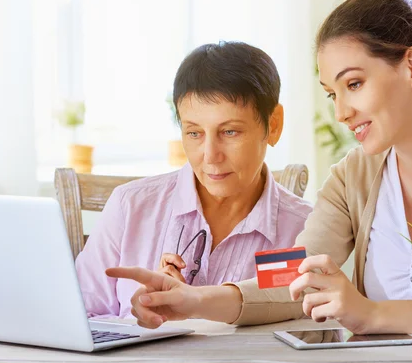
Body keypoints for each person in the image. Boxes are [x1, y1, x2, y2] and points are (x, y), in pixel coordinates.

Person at [105, 0, 412, 338]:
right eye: (333, 93)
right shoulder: (354, 175)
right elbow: (291, 276)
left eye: (354, 83)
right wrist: (195, 301)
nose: (342, 112)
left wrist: (371, 314)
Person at [75, 41, 312, 318]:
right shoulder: (129, 207)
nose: (210, 156)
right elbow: (80, 320)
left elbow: (299, 326)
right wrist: (145, 316)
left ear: (273, 125)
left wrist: (195, 303)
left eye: (230, 132)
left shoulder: (303, 231)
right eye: (194, 133)